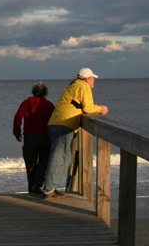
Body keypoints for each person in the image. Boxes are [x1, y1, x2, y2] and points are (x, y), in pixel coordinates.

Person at [42, 68, 109, 199]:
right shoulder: (83, 86)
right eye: (92, 78)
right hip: (64, 124)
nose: (93, 80)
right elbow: (88, 108)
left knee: (64, 157)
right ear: (88, 79)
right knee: (60, 157)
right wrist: (100, 109)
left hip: (57, 123)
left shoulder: (73, 85)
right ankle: (48, 189)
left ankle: (51, 188)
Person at [13, 82, 55, 194]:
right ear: (45, 93)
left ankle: (31, 188)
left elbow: (18, 117)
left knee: (30, 163)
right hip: (45, 137)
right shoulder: (49, 105)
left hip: (29, 137)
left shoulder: (26, 103)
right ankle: (37, 185)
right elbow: (56, 119)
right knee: (43, 162)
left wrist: (17, 133)